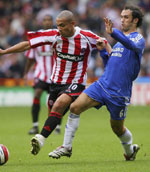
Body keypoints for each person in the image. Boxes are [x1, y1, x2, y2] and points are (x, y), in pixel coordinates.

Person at [0, 10, 111, 155]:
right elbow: (28, 45)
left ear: (72, 24)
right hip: (55, 82)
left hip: (76, 82)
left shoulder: (86, 37)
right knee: (54, 113)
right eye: (58, 25)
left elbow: (106, 44)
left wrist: (112, 60)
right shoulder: (54, 35)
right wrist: (4, 52)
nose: (59, 28)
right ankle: (62, 146)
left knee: (59, 105)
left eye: (62, 25)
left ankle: (40, 139)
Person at [49, 5, 145, 161]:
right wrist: (102, 51)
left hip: (119, 93)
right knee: (74, 107)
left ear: (135, 20)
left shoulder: (138, 39)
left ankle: (129, 151)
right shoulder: (119, 43)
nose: (122, 19)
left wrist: (113, 33)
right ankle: (66, 147)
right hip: (102, 85)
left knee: (117, 128)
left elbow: (131, 45)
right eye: (121, 16)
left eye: (126, 17)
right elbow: (110, 65)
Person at [24, 15, 61, 135]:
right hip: (41, 74)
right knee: (37, 94)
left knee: (56, 102)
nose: (47, 22)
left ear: (52, 22)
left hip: (55, 75)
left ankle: (57, 126)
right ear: (42, 22)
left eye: (49, 19)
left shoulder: (58, 35)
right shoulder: (37, 37)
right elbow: (30, 58)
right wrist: (26, 73)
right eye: (45, 20)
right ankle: (35, 125)